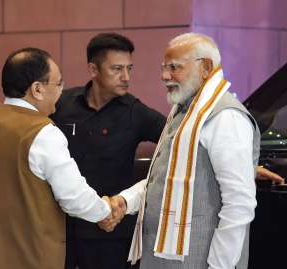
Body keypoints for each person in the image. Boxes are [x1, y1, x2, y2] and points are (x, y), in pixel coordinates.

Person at [0, 47, 113, 269]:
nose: (62, 91)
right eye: (58, 83)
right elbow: (75, 198)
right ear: (38, 89)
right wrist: (107, 210)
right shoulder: (44, 132)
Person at [103, 32, 262, 269]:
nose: (164, 76)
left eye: (174, 67)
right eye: (164, 67)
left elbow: (239, 204)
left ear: (206, 67)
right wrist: (126, 201)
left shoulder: (226, 116)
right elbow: (163, 179)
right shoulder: (184, 108)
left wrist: (219, 266)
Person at [50, 33, 166, 269]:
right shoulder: (62, 104)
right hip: (61, 229)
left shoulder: (135, 112)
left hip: (110, 232)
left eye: (129, 69)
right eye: (117, 69)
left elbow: (180, 139)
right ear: (93, 69)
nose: (126, 77)